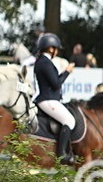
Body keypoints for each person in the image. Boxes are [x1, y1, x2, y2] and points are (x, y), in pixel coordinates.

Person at [33, 32, 77, 165]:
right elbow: (56, 84)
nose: (57, 52)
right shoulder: (45, 62)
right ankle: (61, 154)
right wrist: (67, 72)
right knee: (69, 120)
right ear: (51, 48)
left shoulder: (42, 61)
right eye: (56, 49)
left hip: (49, 98)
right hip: (48, 99)